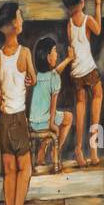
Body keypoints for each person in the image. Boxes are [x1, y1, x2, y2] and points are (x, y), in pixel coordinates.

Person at [0, 2, 35, 205]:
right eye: (19, 17)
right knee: (25, 172)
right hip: (18, 118)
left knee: (9, 174)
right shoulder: (25, 52)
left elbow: (0, 89)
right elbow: (33, 78)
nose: (22, 20)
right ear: (13, 24)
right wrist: (30, 79)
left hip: (3, 120)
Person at [62, 0, 104, 166]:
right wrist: (97, 4)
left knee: (80, 106)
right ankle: (94, 150)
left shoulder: (69, 24)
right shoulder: (87, 19)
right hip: (89, 69)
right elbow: (98, 30)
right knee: (98, 99)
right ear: (82, 0)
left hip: (75, 72)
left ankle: (78, 148)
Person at [30, 37, 74, 170]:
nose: (57, 54)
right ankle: (56, 150)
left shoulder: (38, 76)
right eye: (54, 51)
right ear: (49, 57)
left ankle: (41, 154)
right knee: (68, 118)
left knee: (51, 118)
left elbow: (57, 71)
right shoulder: (54, 78)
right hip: (46, 121)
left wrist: (68, 59)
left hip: (33, 122)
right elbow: (53, 106)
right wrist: (52, 124)